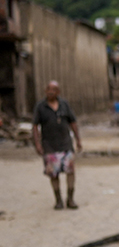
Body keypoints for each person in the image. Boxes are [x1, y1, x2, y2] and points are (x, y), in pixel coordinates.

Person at [32, 81, 82, 210]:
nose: (50, 91)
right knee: (53, 174)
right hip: (49, 146)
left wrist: (78, 139)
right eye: (48, 89)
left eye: (53, 89)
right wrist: (37, 143)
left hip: (66, 144)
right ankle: (58, 200)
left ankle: (70, 199)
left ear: (58, 92)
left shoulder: (64, 105)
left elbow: (73, 122)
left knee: (70, 171)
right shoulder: (40, 106)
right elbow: (35, 126)